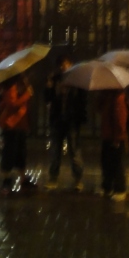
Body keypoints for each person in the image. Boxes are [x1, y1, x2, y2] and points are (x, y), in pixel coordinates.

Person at [45, 57, 85, 190]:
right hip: (57, 120)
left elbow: (82, 101)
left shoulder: (77, 80)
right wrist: (50, 88)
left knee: (74, 151)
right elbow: (47, 99)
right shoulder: (55, 79)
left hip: (72, 120)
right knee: (55, 150)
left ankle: (78, 179)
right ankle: (53, 177)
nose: (64, 67)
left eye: (66, 64)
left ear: (71, 65)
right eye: (61, 65)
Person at [0, 73, 33, 193]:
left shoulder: (22, 83)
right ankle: (6, 180)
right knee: (10, 152)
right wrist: (27, 94)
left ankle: (23, 178)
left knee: (20, 151)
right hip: (11, 124)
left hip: (20, 123)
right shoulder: (11, 85)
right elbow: (12, 103)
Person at [99, 87, 129, 201]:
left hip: (115, 137)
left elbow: (120, 120)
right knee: (107, 163)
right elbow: (98, 109)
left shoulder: (118, 98)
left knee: (116, 163)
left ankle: (120, 189)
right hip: (107, 135)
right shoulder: (108, 96)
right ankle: (108, 187)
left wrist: (117, 138)